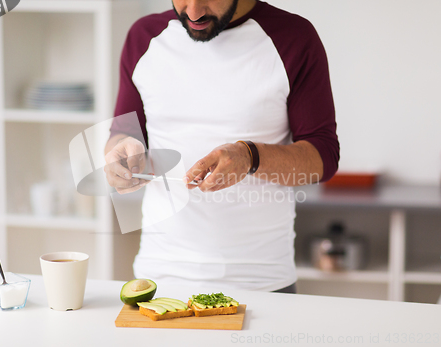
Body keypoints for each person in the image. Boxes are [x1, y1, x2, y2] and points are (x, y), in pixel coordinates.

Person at [105, 0, 339, 293]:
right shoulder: (144, 37)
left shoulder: (293, 38)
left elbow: (324, 158)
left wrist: (251, 156)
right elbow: (123, 133)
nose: (193, 13)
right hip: (159, 278)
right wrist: (119, 152)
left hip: (262, 283)